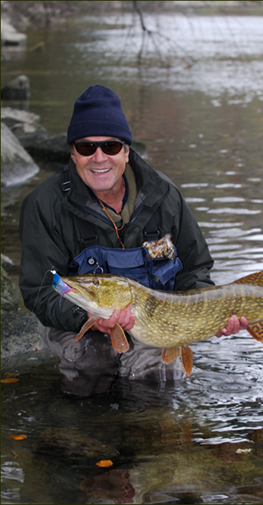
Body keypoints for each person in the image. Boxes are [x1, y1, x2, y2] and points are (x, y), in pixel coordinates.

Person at [19, 85, 248, 397]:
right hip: (76, 320)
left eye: (110, 146)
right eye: (86, 148)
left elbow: (195, 270)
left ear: (126, 151)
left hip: (156, 322)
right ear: (73, 153)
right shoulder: (44, 204)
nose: (99, 158)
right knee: (90, 364)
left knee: (161, 378)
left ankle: (147, 436)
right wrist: (85, 316)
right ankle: (80, 436)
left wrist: (212, 313)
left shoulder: (165, 196)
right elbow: (44, 287)